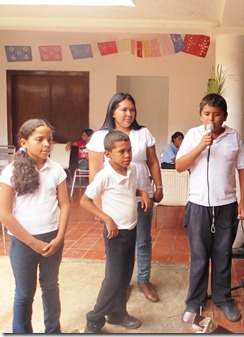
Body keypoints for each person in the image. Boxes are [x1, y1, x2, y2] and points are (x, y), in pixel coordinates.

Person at [176, 93, 244, 323]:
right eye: (207, 114)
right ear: (200, 116)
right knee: (198, 256)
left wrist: (243, 200)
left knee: (223, 254)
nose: (212, 118)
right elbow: (179, 166)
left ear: (225, 116)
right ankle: (194, 301)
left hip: (226, 205)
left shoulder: (234, 137)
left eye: (217, 114)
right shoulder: (193, 135)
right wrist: (200, 146)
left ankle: (223, 298)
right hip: (198, 205)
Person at [87, 93, 163, 303]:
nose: (129, 114)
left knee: (143, 240)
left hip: (143, 195)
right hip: (114, 200)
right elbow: (94, 174)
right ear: (113, 111)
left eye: (132, 110)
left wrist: (159, 185)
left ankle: (144, 279)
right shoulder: (100, 137)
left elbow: (153, 162)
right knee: (119, 243)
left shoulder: (143, 133)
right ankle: (121, 282)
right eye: (123, 110)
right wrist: (99, 209)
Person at [0, 119, 70, 333]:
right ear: (24, 141)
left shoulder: (56, 169)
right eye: (39, 139)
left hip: (52, 239)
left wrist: (58, 238)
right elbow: (4, 213)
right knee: (24, 293)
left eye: (49, 139)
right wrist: (32, 243)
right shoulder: (11, 171)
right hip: (24, 242)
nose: (47, 144)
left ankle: (53, 330)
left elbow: (65, 204)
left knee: (50, 287)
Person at [81, 131, 151, 333]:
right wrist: (106, 218)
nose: (127, 155)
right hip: (115, 234)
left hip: (131, 229)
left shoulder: (130, 170)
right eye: (121, 152)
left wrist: (143, 192)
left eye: (129, 150)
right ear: (108, 154)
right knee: (114, 278)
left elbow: (130, 190)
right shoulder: (105, 175)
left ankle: (117, 313)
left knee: (124, 275)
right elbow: (84, 201)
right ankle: (94, 319)